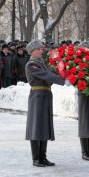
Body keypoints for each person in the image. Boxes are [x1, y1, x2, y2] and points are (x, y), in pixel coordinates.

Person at [25, 39, 66, 167]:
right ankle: (36, 158)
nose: (42, 51)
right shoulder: (32, 64)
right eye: (39, 49)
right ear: (33, 51)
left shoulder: (41, 63)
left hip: (45, 95)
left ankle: (43, 157)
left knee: (44, 126)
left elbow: (51, 73)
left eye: (42, 49)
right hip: (37, 96)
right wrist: (63, 80)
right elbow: (47, 75)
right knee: (36, 126)